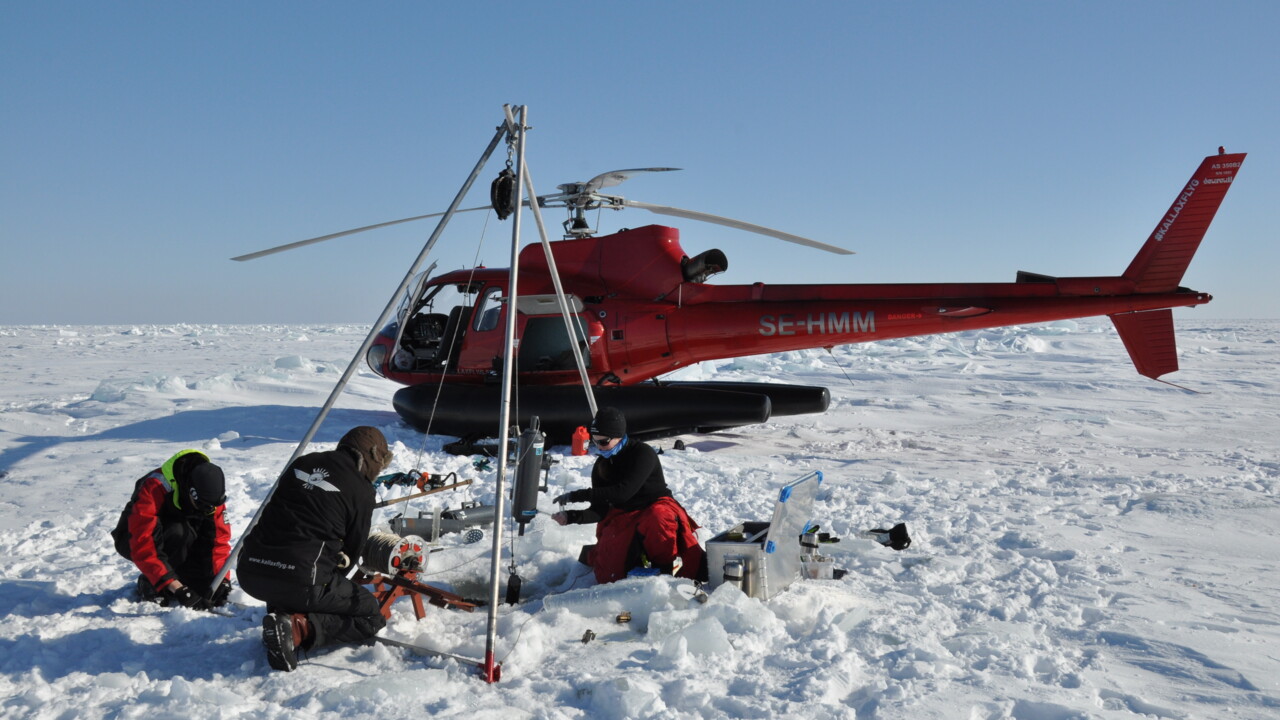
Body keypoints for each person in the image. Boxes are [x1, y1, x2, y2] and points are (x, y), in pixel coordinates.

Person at [237, 426, 393, 672]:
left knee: (297, 578)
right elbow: (353, 552)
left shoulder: (303, 462)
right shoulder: (362, 490)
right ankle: (297, 630)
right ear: (372, 456)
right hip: (299, 579)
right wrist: (324, 593)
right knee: (372, 615)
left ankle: (285, 612)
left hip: (249, 573)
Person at [552, 407, 706, 584]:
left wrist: (577, 495)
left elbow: (622, 492)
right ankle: (633, 564)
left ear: (618, 436)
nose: (599, 447)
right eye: (595, 442)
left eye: (603, 441)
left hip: (655, 509)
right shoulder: (601, 466)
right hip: (625, 515)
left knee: (658, 518)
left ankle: (664, 571)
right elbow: (600, 510)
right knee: (608, 576)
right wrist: (570, 516)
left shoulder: (642, 453)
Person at [111, 449, 232, 610]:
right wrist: (174, 586)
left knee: (204, 579)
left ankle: (180, 576)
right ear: (191, 491)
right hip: (134, 537)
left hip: (183, 535)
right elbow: (143, 543)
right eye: (202, 505)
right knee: (178, 532)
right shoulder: (154, 486)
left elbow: (218, 540)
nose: (207, 509)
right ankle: (152, 581)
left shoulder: (210, 496)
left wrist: (221, 580)